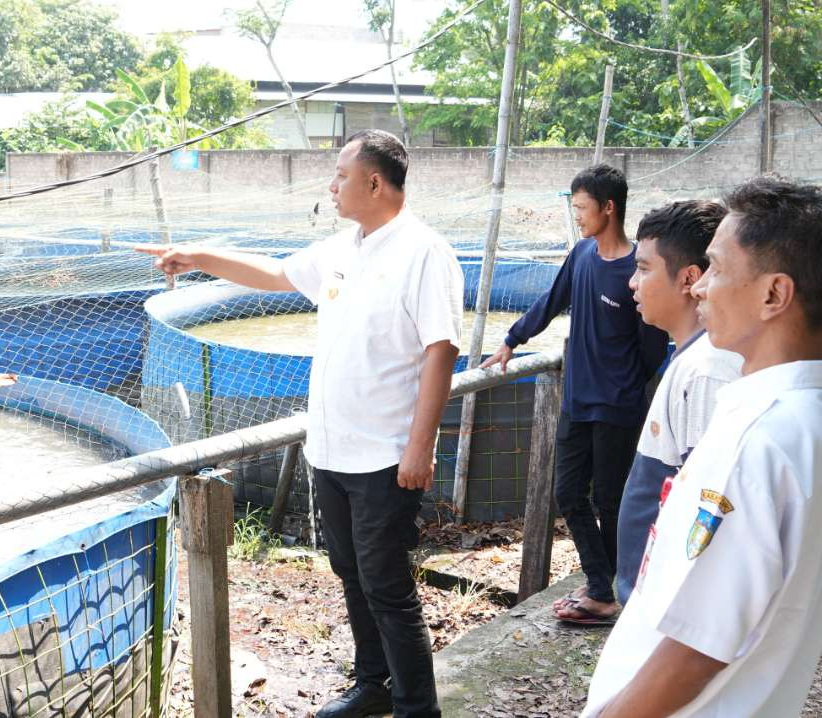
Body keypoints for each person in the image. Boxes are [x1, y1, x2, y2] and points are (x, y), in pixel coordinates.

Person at [138, 129, 465, 718]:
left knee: (388, 587)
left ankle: (420, 709)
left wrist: (422, 446)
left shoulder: (424, 252)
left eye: (341, 175)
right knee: (350, 572)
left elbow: (442, 351)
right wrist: (197, 256)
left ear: (373, 181)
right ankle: (374, 685)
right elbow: (273, 274)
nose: (332, 185)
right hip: (332, 450)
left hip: (386, 454)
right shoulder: (343, 248)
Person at [583, 176, 822, 717]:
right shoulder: (800, 418)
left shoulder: (760, 439)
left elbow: (696, 647)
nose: (699, 287)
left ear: (773, 295)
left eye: (715, 268)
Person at [481, 164, 668, 624]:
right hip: (577, 400)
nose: (578, 216)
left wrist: (622, 382)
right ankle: (603, 584)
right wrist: (512, 340)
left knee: (610, 499)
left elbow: (651, 347)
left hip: (617, 405)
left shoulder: (635, 269)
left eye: (583, 208)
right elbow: (550, 301)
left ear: (609, 208)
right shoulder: (582, 254)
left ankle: (607, 590)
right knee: (568, 492)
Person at [615, 200, 742, 608]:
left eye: (644, 268)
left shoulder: (707, 370)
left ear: (689, 278)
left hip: (668, 606)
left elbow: (706, 515)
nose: (632, 283)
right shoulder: (692, 358)